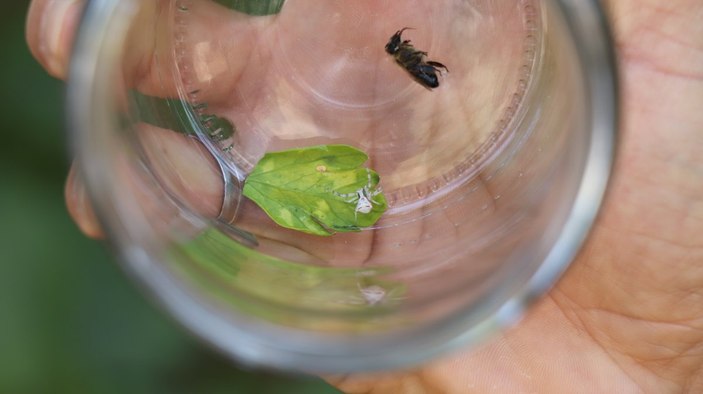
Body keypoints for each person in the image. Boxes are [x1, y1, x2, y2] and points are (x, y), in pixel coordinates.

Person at [27, 0, 703, 392]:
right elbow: (417, 58)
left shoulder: (430, 67)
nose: (413, 59)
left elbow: (423, 63)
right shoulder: (411, 61)